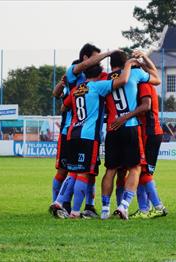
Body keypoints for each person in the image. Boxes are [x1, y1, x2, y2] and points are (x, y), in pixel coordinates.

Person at [61, 58, 138, 219]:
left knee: (73, 172)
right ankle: (75, 212)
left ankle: (60, 202)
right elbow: (123, 80)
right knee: (84, 173)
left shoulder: (76, 88)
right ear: (98, 74)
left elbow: (64, 106)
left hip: (72, 133)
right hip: (88, 136)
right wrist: (129, 64)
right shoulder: (97, 86)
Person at [49, 44, 113, 218]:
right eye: (97, 57)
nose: (100, 59)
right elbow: (58, 97)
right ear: (86, 58)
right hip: (72, 131)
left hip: (81, 131)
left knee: (87, 170)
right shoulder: (74, 72)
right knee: (67, 170)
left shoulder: (91, 81)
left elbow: (61, 102)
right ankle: (59, 203)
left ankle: (88, 206)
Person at [100, 50, 161, 220]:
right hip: (130, 126)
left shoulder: (104, 78)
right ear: (126, 61)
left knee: (110, 170)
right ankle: (124, 206)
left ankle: (105, 209)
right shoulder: (134, 73)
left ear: (111, 64)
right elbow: (157, 78)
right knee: (135, 168)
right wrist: (141, 62)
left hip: (112, 128)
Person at [111, 81, 168, 219]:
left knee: (144, 172)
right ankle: (144, 209)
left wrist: (125, 116)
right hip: (145, 133)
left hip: (150, 132)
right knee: (141, 171)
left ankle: (159, 206)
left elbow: (146, 106)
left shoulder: (143, 85)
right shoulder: (139, 85)